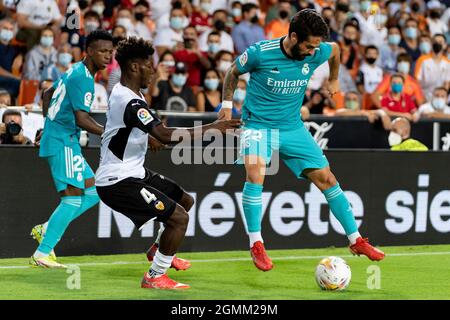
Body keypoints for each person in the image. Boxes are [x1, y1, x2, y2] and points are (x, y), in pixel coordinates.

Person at [219, 9, 385, 272]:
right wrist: (227, 104)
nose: (312, 52)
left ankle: (356, 240)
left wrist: (333, 78)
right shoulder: (261, 52)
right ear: (293, 37)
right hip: (258, 125)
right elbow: (232, 72)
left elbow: (335, 51)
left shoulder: (319, 50)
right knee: (255, 171)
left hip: (292, 127)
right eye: (308, 46)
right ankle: (256, 243)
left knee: (327, 179)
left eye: (315, 47)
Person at [95, 36, 240, 289]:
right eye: (149, 65)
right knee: (179, 219)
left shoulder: (129, 93)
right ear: (133, 67)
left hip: (133, 172)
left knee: (185, 200)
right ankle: (155, 275)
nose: (154, 69)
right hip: (117, 181)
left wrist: (147, 136)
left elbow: (131, 128)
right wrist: (215, 128)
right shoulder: (130, 100)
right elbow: (164, 134)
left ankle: (158, 249)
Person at [29, 30, 114, 268]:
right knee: (72, 200)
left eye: (110, 52)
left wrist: (48, 125)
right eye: (102, 51)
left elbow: (47, 94)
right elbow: (82, 119)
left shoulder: (76, 70)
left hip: (64, 139)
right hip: (63, 141)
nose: (107, 56)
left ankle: (46, 229)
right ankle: (42, 253)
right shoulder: (83, 78)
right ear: (89, 51)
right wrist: (110, 133)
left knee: (94, 191)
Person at [414, 33, 450, 100]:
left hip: (440, 96)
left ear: (445, 45)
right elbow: (417, 81)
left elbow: (446, 83)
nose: (437, 43)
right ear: (431, 44)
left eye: (440, 42)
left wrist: (442, 97)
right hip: (424, 95)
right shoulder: (422, 60)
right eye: (435, 41)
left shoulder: (448, 62)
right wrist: (421, 98)